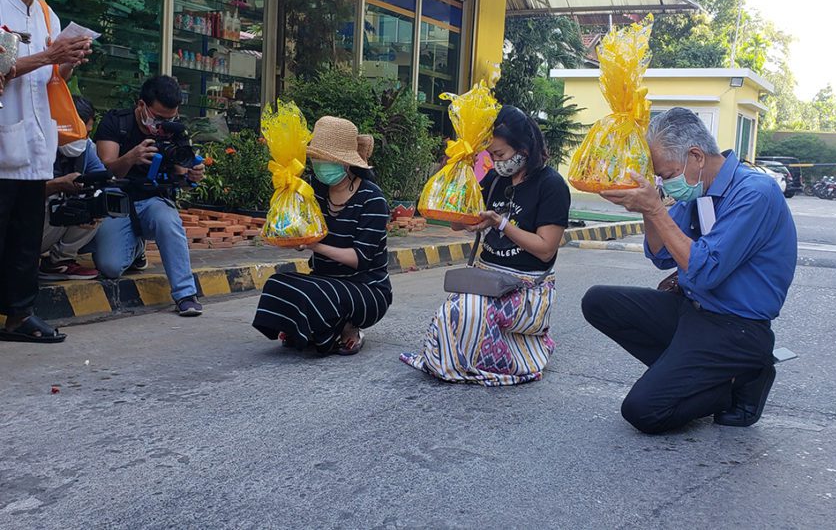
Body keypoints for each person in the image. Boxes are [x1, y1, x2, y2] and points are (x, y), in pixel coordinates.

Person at [581, 107, 798, 434]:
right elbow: (660, 255)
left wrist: (655, 208)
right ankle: (690, 376)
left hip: (736, 327)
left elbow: (706, 269)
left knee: (643, 410)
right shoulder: (699, 189)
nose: (666, 185)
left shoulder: (755, 193)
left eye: (666, 175)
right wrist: (647, 207)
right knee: (597, 301)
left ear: (695, 156)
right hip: (694, 310)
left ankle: (741, 378)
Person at [401, 106, 571, 385]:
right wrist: (456, 181)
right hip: (485, 280)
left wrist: (501, 224)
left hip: (527, 288)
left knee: (470, 311)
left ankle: (507, 361)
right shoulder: (495, 179)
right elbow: (458, 223)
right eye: (491, 155)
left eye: (500, 155)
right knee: (451, 311)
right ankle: (453, 363)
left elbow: (545, 248)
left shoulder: (551, 185)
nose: (495, 161)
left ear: (524, 150)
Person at [0, 0, 93, 343]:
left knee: (25, 237)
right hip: (5, 140)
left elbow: (55, 76)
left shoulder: (45, 13)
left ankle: (19, 315)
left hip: (36, 143)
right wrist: (48, 55)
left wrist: (67, 60)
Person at [253, 116, 392, 355]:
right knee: (276, 283)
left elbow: (359, 258)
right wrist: (293, 235)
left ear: (345, 163)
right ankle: (312, 327)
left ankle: (348, 328)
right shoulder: (313, 191)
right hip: (323, 279)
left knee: (320, 295)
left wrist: (315, 246)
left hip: (367, 288)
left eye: (325, 159)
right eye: (316, 159)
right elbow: (300, 227)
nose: (319, 165)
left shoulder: (372, 199)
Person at [92, 75, 205, 316]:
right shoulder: (116, 122)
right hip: (117, 201)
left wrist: (191, 176)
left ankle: (186, 294)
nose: (163, 124)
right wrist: (130, 158)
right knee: (110, 266)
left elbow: (181, 177)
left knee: (168, 220)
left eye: (170, 118)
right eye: (158, 118)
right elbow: (103, 172)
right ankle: (136, 248)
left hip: (153, 200)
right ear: (141, 105)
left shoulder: (175, 132)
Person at [39, 96, 104, 281]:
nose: (83, 137)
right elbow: (18, 192)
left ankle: (60, 261)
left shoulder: (86, 148)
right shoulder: (38, 143)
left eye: (87, 132)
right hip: (22, 225)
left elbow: (101, 177)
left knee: (99, 202)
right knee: (52, 199)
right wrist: (57, 185)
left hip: (48, 228)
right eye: (78, 131)